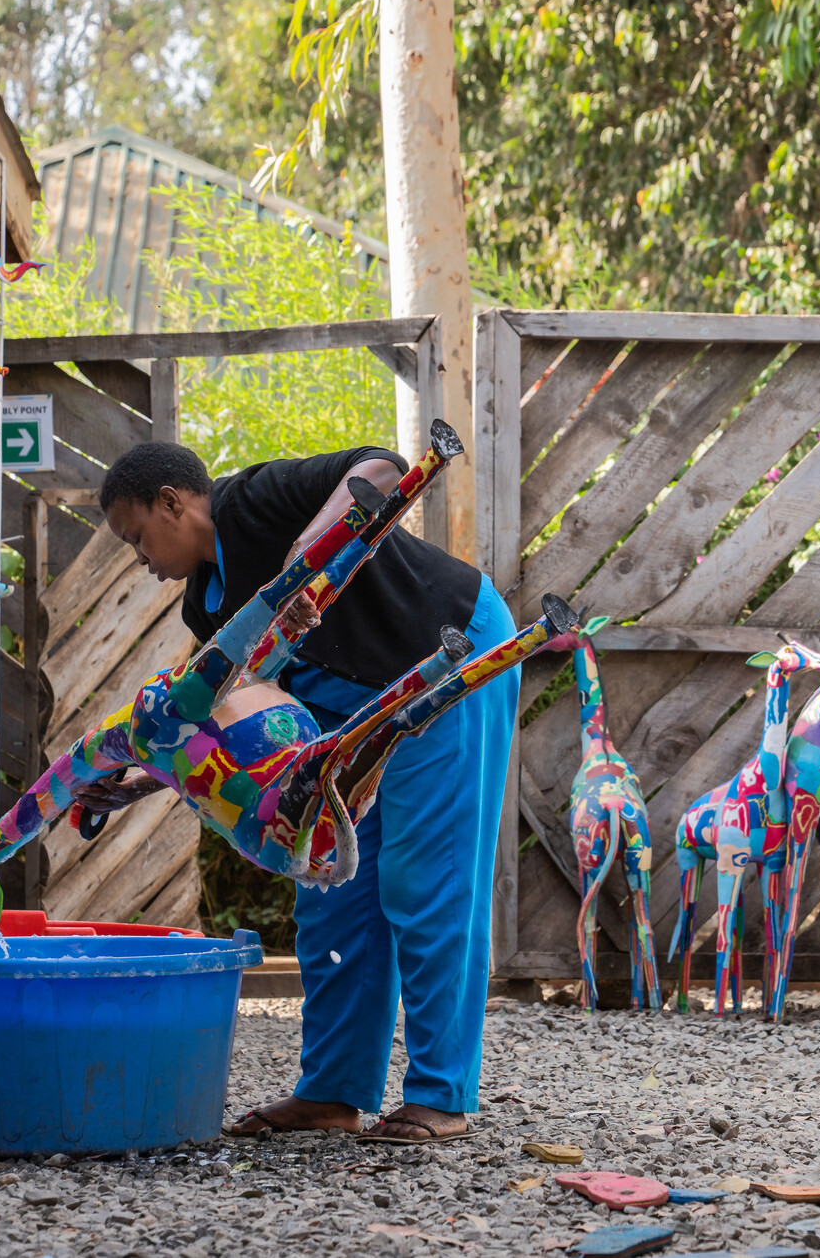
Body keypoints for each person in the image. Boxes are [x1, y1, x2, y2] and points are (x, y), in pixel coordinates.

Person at [96, 438, 518, 1145]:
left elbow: (381, 466)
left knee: (425, 879)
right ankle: (333, 1092)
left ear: (171, 503)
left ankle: (442, 1095)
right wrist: (148, 775)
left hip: (448, 655)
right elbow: (231, 707)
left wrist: (307, 557)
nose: (141, 558)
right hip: (347, 719)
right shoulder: (204, 607)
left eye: (136, 537)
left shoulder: (252, 501)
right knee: (330, 887)